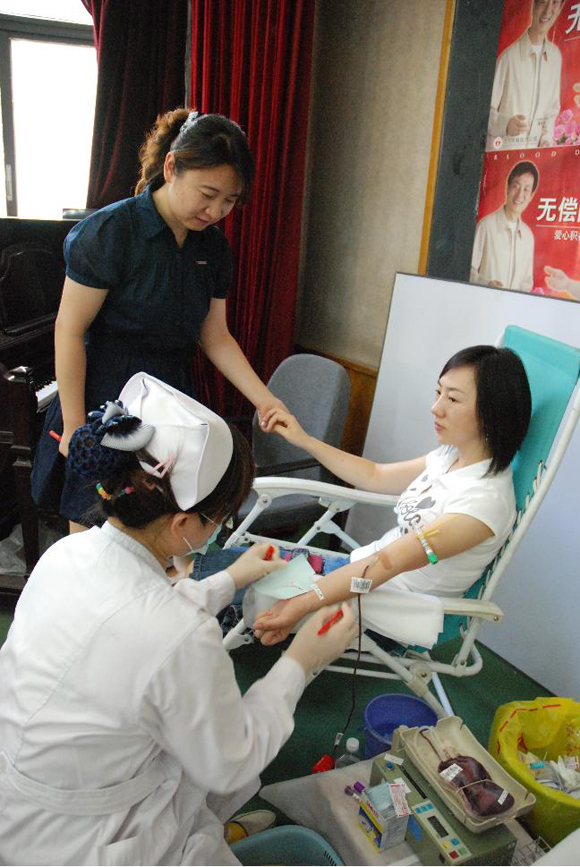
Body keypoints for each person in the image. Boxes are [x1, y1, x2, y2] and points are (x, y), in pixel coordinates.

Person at [0, 373, 356, 866]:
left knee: (184, 744)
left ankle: (212, 826)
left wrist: (232, 577)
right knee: (208, 766)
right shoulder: (176, 632)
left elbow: (135, 618)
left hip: (20, 796)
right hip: (85, 841)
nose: (219, 530)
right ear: (183, 523)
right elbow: (231, 758)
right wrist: (302, 660)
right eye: (219, 520)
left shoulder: (67, 554)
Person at [32, 107, 285, 533]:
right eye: (208, 193)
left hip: (170, 397)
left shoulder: (213, 249)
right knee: (95, 534)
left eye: (229, 201)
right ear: (171, 167)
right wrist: (75, 428)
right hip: (104, 397)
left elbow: (215, 336)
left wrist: (266, 400)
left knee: (162, 528)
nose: (215, 211)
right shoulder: (111, 232)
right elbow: (70, 330)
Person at [242, 345, 531, 648]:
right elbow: (375, 475)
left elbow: (389, 563)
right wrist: (305, 440)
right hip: (356, 575)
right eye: (438, 392)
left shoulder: (484, 502)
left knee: (234, 584)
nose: (436, 408)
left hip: (385, 610)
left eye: (453, 399)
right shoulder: (448, 457)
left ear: (492, 413)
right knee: (240, 567)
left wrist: (303, 602)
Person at [487, 0, 564, 150]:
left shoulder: (555, 57)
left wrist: (546, 138)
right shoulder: (508, 58)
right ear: (533, 6)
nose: (548, 11)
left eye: (554, 3)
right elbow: (484, 112)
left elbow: (551, 111)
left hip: (534, 157)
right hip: (505, 153)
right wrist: (505, 124)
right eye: (543, 3)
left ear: (560, 8)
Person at [470, 161, 538, 292]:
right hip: (485, 300)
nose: (520, 195)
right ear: (507, 187)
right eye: (516, 186)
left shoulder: (528, 236)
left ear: (531, 195)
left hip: (513, 305)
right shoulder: (486, 226)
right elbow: (469, 270)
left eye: (526, 189)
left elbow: (527, 282)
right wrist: (486, 284)